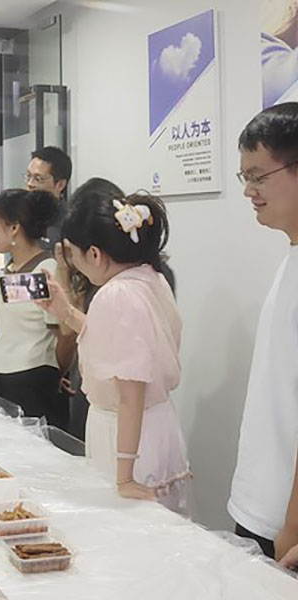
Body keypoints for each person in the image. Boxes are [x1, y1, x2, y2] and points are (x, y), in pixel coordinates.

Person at [37, 187, 190, 513]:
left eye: (74, 255)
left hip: (126, 437)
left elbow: (131, 393)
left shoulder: (116, 295)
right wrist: (67, 312)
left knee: (126, 528)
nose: (74, 264)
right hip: (152, 428)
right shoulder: (150, 278)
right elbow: (116, 342)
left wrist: (125, 478)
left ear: (94, 253)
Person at [228, 102, 298, 560]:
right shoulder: (291, 257)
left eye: (258, 177)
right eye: (245, 177)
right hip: (263, 503)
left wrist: (292, 526)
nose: (248, 191)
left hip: (284, 523)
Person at [0, 189, 70, 428]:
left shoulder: (46, 270)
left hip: (30, 379)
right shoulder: (11, 269)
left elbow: (65, 334)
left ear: (14, 228)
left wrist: (57, 371)